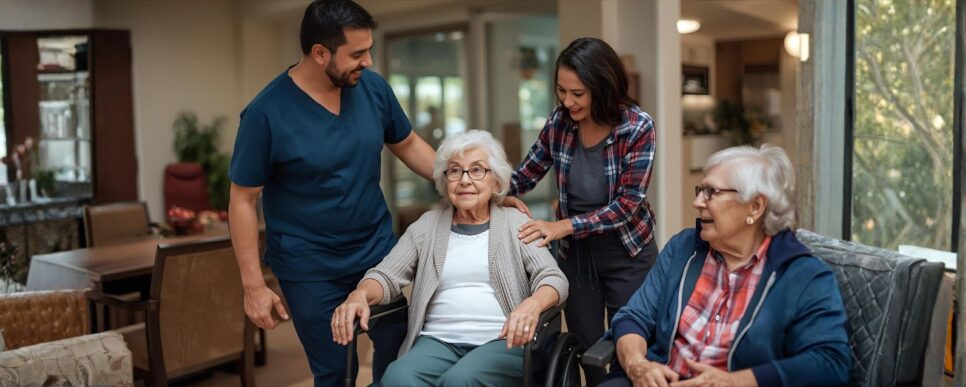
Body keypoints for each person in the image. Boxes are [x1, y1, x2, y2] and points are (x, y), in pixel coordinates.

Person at [226, 1, 436, 385]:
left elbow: (408, 145)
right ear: (319, 53)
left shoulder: (371, 88)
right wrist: (253, 287)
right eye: (357, 53)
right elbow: (242, 199)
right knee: (337, 372)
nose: (369, 61)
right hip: (309, 265)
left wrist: (466, 184)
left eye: (368, 49)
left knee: (400, 361)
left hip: (375, 252)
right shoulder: (265, 113)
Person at [331, 130, 568, 386]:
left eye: (477, 170)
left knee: (459, 381)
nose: (465, 180)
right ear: (445, 181)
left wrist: (531, 304)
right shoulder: (427, 226)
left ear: (496, 182)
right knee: (397, 378)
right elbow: (386, 275)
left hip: (502, 341)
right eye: (455, 171)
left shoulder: (515, 223)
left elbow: (553, 278)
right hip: (436, 341)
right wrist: (360, 294)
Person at [602, 145, 851, 387]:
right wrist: (638, 365)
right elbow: (634, 317)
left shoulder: (804, 275)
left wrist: (736, 381)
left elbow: (830, 362)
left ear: (755, 206)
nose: (698, 202)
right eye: (700, 190)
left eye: (711, 192)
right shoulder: (683, 248)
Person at [507, 37, 658, 384]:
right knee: (588, 352)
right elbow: (526, 174)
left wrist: (562, 226)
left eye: (578, 93)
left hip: (628, 252)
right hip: (577, 256)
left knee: (630, 348)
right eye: (562, 90)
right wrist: (489, 190)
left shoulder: (637, 126)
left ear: (603, 87)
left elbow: (628, 204)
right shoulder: (559, 122)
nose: (567, 101)